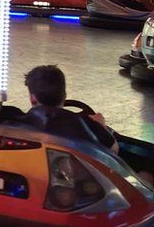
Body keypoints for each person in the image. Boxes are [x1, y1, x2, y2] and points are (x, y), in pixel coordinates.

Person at [24, 65, 153, 184]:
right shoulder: (84, 124)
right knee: (147, 173)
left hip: (38, 182)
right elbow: (114, 150)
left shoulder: (19, 124)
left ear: (32, 98)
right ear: (64, 95)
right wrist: (100, 126)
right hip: (82, 188)